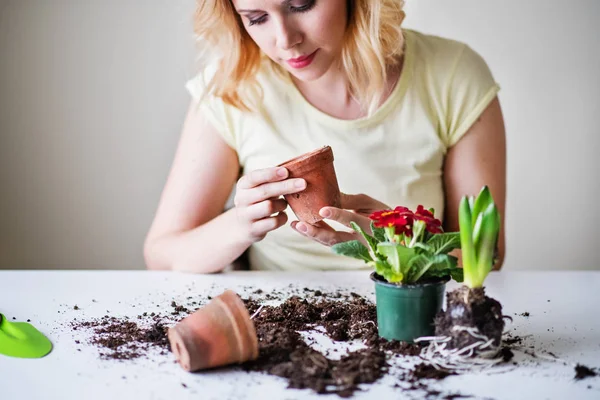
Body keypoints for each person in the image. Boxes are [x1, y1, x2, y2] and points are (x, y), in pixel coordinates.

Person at [144, 0, 506, 273]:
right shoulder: (233, 87)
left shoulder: (453, 75)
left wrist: (397, 241)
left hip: (412, 317)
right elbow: (161, 254)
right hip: (280, 329)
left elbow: (486, 254)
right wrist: (239, 226)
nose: (285, 40)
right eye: (256, 18)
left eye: (301, 4)